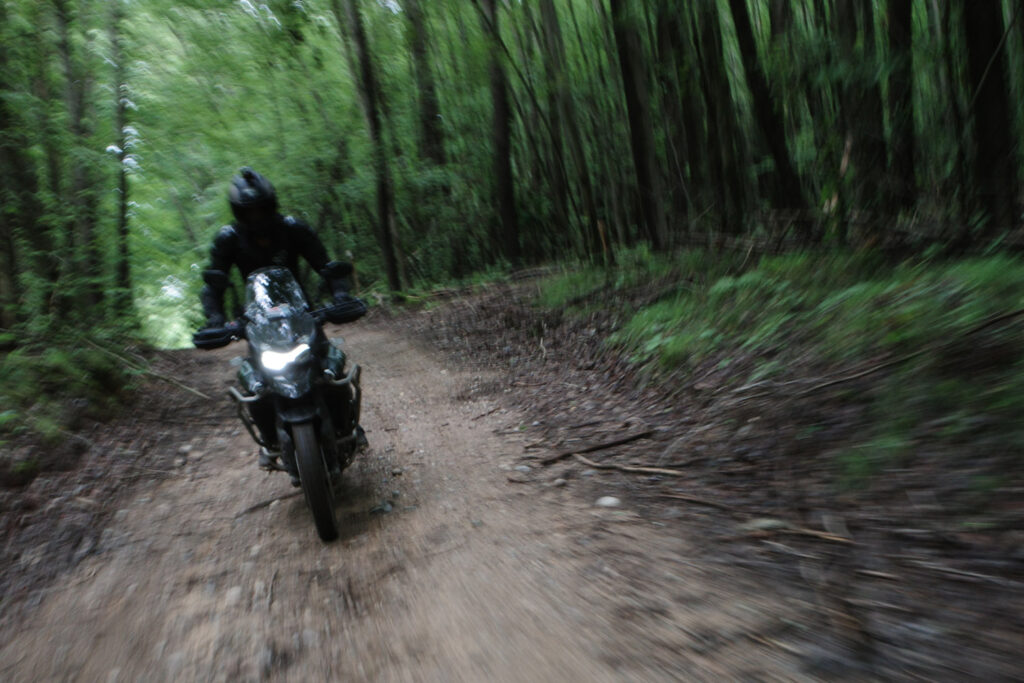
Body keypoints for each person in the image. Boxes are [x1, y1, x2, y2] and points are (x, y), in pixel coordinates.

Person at [195, 167, 366, 479]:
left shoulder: (293, 229)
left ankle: (347, 425)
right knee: (256, 381)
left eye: (262, 208)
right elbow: (214, 284)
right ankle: (270, 440)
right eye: (250, 211)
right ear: (238, 212)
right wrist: (216, 319)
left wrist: (340, 295)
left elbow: (324, 265)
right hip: (256, 321)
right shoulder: (228, 239)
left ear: (271, 204)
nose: (257, 217)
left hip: (301, 314)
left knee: (329, 366)